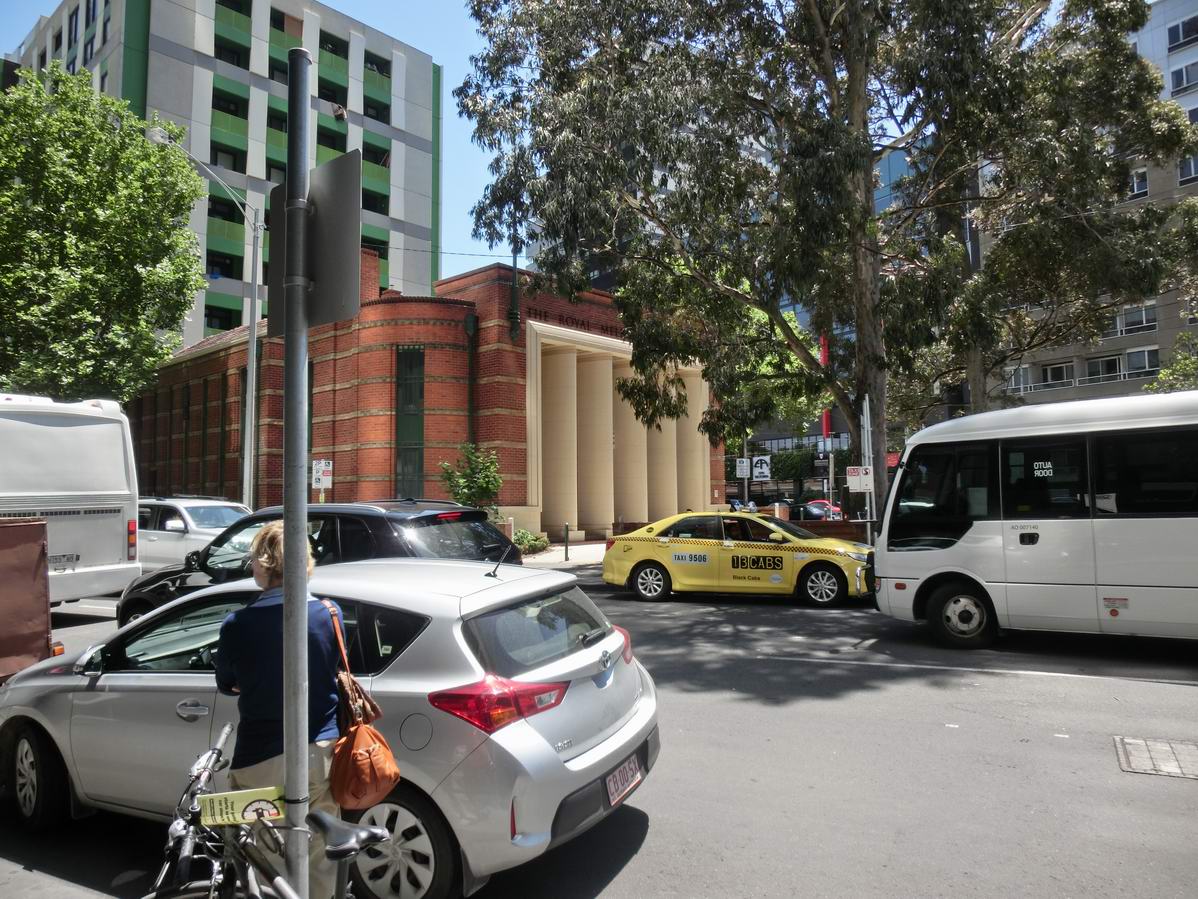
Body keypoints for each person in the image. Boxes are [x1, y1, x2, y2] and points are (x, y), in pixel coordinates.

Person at [215, 520, 342, 899]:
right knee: (319, 852)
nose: (251, 565)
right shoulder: (330, 613)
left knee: (262, 855)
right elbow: (331, 668)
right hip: (320, 752)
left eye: (255, 558)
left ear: (267, 563)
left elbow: (227, 682)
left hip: (260, 756)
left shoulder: (238, 624)